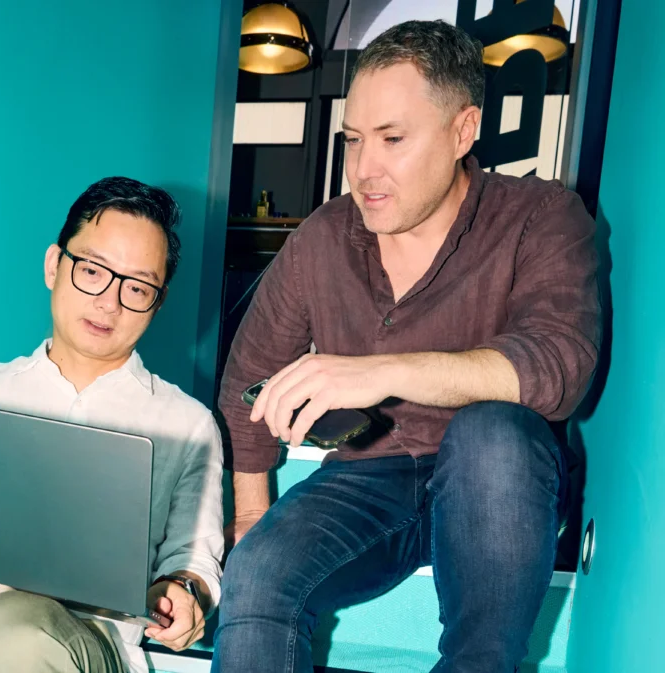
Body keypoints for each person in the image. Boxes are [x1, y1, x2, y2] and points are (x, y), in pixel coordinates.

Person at [212, 20, 600, 673]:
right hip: (369, 474)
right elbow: (245, 378)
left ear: (462, 131)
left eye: (392, 139)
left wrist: (381, 371)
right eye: (354, 140)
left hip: (498, 481)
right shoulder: (325, 236)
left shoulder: (542, 215)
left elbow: (559, 366)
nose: (364, 169)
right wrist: (250, 513)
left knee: (493, 433)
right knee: (255, 575)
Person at [0, 177, 224, 673]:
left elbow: (195, 559)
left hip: (83, 653)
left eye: (138, 286)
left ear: (157, 302)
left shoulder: (187, 424)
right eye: (94, 271)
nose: (110, 301)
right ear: (54, 265)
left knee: (15, 627)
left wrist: (184, 595)